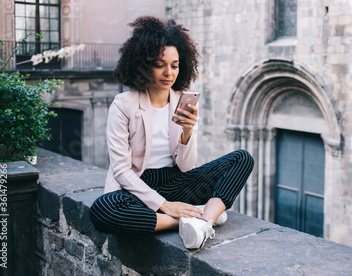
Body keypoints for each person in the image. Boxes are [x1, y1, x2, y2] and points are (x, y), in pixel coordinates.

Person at [89, 16, 254, 249]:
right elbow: (121, 171)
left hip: (176, 181)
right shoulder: (123, 104)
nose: (169, 72)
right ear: (144, 65)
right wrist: (166, 205)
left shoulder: (181, 101)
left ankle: (203, 221)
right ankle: (197, 218)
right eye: (160, 64)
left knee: (242, 158)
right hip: (137, 186)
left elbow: (187, 167)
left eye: (174, 65)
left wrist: (188, 131)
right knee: (102, 210)